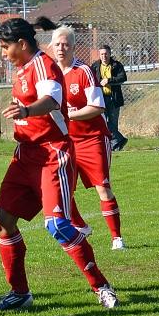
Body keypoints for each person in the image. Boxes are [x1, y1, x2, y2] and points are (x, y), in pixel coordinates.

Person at [0, 17, 119, 310]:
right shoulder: (22, 69)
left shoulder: (43, 65)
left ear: (21, 44)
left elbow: (51, 100)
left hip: (52, 155)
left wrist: (25, 110)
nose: (3, 53)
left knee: (58, 225)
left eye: (5, 47)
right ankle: (20, 293)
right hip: (25, 156)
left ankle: (101, 287)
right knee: (3, 222)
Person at [50, 26, 127, 250]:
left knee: (102, 187)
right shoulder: (50, 73)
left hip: (93, 138)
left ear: (73, 46)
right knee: (62, 188)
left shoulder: (83, 71)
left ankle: (116, 238)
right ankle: (80, 226)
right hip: (67, 140)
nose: (61, 48)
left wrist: (69, 114)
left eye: (65, 44)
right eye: (57, 44)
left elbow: (97, 107)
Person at [91, 45, 129, 151]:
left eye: (106, 54)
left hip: (114, 98)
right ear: (99, 55)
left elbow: (123, 77)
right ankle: (118, 139)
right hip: (100, 98)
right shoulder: (95, 66)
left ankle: (115, 146)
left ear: (110, 54)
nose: (104, 56)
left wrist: (109, 80)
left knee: (113, 123)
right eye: (102, 54)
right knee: (101, 121)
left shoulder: (117, 65)